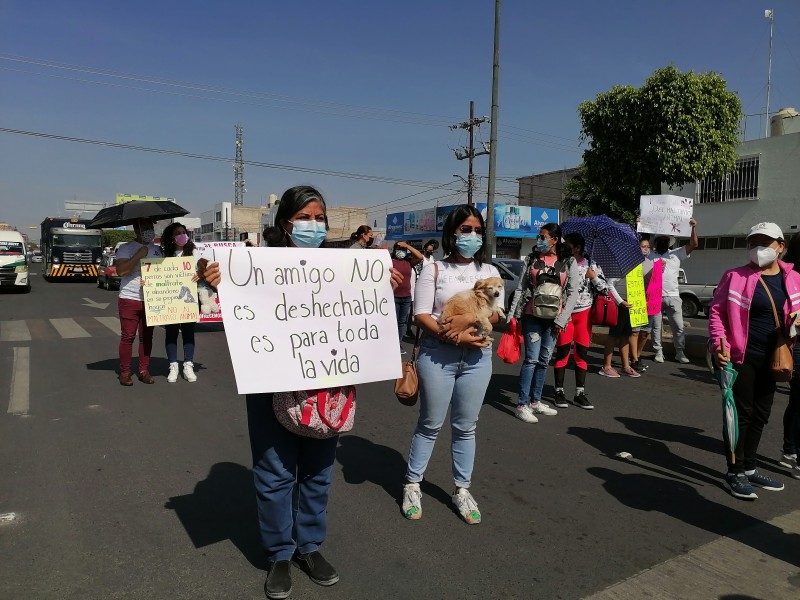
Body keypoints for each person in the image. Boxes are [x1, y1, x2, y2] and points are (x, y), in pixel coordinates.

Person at [203, 186, 403, 599]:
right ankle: (279, 552)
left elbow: (363, 306)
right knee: (275, 474)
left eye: (320, 218)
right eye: (306, 218)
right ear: (284, 223)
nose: (314, 225)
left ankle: (309, 546)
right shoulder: (253, 265)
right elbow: (226, 307)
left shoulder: (343, 264)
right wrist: (213, 281)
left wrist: (384, 285)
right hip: (271, 385)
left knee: (317, 471)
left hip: (327, 384)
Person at [401, 205, 501, 525]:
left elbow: (495, 315)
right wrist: (456, 338)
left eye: (476, 229)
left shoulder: (488, 272)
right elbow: (421, 315)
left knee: (466, 426)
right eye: (464, 229)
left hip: (477, 360)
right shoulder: (433, 269)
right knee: (430, 424)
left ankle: (462, 489)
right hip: (437, 357)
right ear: (452, 233)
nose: (471, 235)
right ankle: (413, 484)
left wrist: (472, 318)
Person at [709, 222, 800, 500]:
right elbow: (716, 313)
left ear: (781, 247)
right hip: (741, 356)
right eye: (753, 242)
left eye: (766, 242)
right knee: (740, 415)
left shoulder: (794, 278)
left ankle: (750, 468)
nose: (758, 248)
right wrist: (717, 343)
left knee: (761, 414)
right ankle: (734, 471)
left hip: (774, 358)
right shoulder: (734, 276)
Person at [509, 223, 580, 423]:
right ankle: (521, 404)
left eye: (543, 236)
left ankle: (536, 401)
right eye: (539, 236)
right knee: (531, 359)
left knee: (544, 360)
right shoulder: (531, 259)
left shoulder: (568, 261)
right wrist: (512, 315)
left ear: (554, 240)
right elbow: (521, 288)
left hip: (555, 320)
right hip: (532, 315)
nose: (539, 240)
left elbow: (573, 292)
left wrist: (562, 318)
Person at [552, 233, 607, 410]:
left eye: (568, 245)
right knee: (562, 354)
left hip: (584, 315)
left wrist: (594, 277)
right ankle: (559, 392)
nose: (564, 247)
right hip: (565, 315)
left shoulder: (592, 265)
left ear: (577, 247)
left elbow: (604, 289)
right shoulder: (562, 263)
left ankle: (579, 393)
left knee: (581, 355)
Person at [114, 218, 163, 386]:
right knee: (128, 337)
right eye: (146, 227)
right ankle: (125, 372)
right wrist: (139, 255)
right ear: (137, 228)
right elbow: (121, 271)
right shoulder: (125, 248)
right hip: (130, 298)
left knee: (147, 338)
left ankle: (143, 370)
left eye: (151, 226)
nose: (150, 229)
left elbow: (165, 274)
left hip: (151, 300)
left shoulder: (157, 250)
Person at [651, 218, 698, 364]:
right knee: (656, 327)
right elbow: (637, 248)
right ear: (656, 242)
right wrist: (639, 226)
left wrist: (693, 228)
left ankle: (679, 352)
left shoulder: (676, 253)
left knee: (678, 326)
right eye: (660, 240)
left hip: (673, 296)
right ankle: (658, 351)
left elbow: (694, 244)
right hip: (655, 295)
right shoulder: (650, 255)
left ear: (669, 242)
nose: (663, 242)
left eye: (665, 240)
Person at [161, 222, 200, 383]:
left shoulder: (194, 252)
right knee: (170, 333)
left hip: (188, 301)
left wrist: (200, 275)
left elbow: (204, 269)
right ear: (172, 237)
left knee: (188, 334)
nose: (182, 235)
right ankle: (173, 365)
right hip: (171, 301)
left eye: (184, 232)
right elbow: (158, 275)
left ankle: (188, 365)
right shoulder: (164, 255)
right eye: (178, 233)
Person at [600, 262, 648, 379]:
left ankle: (626, 366)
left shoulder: (636, 267)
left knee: (626, 335)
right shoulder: (619, 265)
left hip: (631, 304)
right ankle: (606, 366)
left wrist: (641, 300)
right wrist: (620, 301)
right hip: (621, 305)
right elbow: (610, 284)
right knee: (614, 335)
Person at [778, 232, 800, 479]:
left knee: (797, 401)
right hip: (796, 342)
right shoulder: (789, 277)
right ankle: (793, 451)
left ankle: (790, 449)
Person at [629, 238, 662, 373]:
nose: (646, 248)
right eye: (643, 246)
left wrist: (660, 269)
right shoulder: (632, 263)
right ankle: (634, 359)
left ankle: (637, 355)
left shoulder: (652, 264)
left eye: (648, 246)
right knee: (635, 332)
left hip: (650, 302)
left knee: (645, 332)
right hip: (637, 300)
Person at [390, 241, 423, 347]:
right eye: (399, 249)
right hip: (394, 296)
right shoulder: (390, 261)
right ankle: (392, 343)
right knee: (393, 322)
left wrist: (407, 246)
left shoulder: (409, 262)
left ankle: (398, 343)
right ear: (395, 250)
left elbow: (420, 256)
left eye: (403, 250)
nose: (401, 252)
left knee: (402, 322)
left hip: (406, 297)